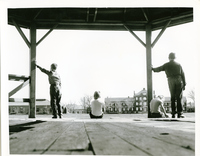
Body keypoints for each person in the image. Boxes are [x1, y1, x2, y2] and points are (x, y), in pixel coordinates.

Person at [152, 52, 186, 118]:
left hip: (170, 80)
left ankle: (173, 113)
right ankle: (180, 113)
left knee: (172, 97)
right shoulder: (178, 65)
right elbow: (183, 74)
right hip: (178, 79)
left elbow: (159, 69)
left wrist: (153, 69)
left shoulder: (166, 65)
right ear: (175, 58)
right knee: (179, 97)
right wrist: (184, 84)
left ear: (169, 58)